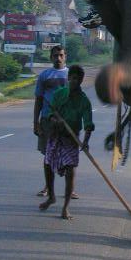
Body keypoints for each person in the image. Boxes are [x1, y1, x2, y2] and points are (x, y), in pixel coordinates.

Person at [39, 65, 94, 220]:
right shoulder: (59, 94)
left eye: (78, 79)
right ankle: (51, 196)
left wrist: (85, 141)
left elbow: (88, 124)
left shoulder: (84, 101)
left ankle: (65, 207)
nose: (75, 81)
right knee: (48, 164)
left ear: (81, 81)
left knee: (70, 171)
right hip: (55, 136)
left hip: (71, 139)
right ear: (68, 78)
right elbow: (50, 114)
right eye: (73, 78)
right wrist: (55, 121)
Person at [33, 45, 73, 197]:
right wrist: (36, 123)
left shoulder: (71, 75)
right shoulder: (44, 75)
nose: (58, 58)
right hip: (48, 120)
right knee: (48, 155)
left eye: (61, 55)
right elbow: (39, 99)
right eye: (55, 55)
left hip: (67, 122)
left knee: (68, 155)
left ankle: (70, 189)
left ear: (65, 56)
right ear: (51, 57)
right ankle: (48, 187)